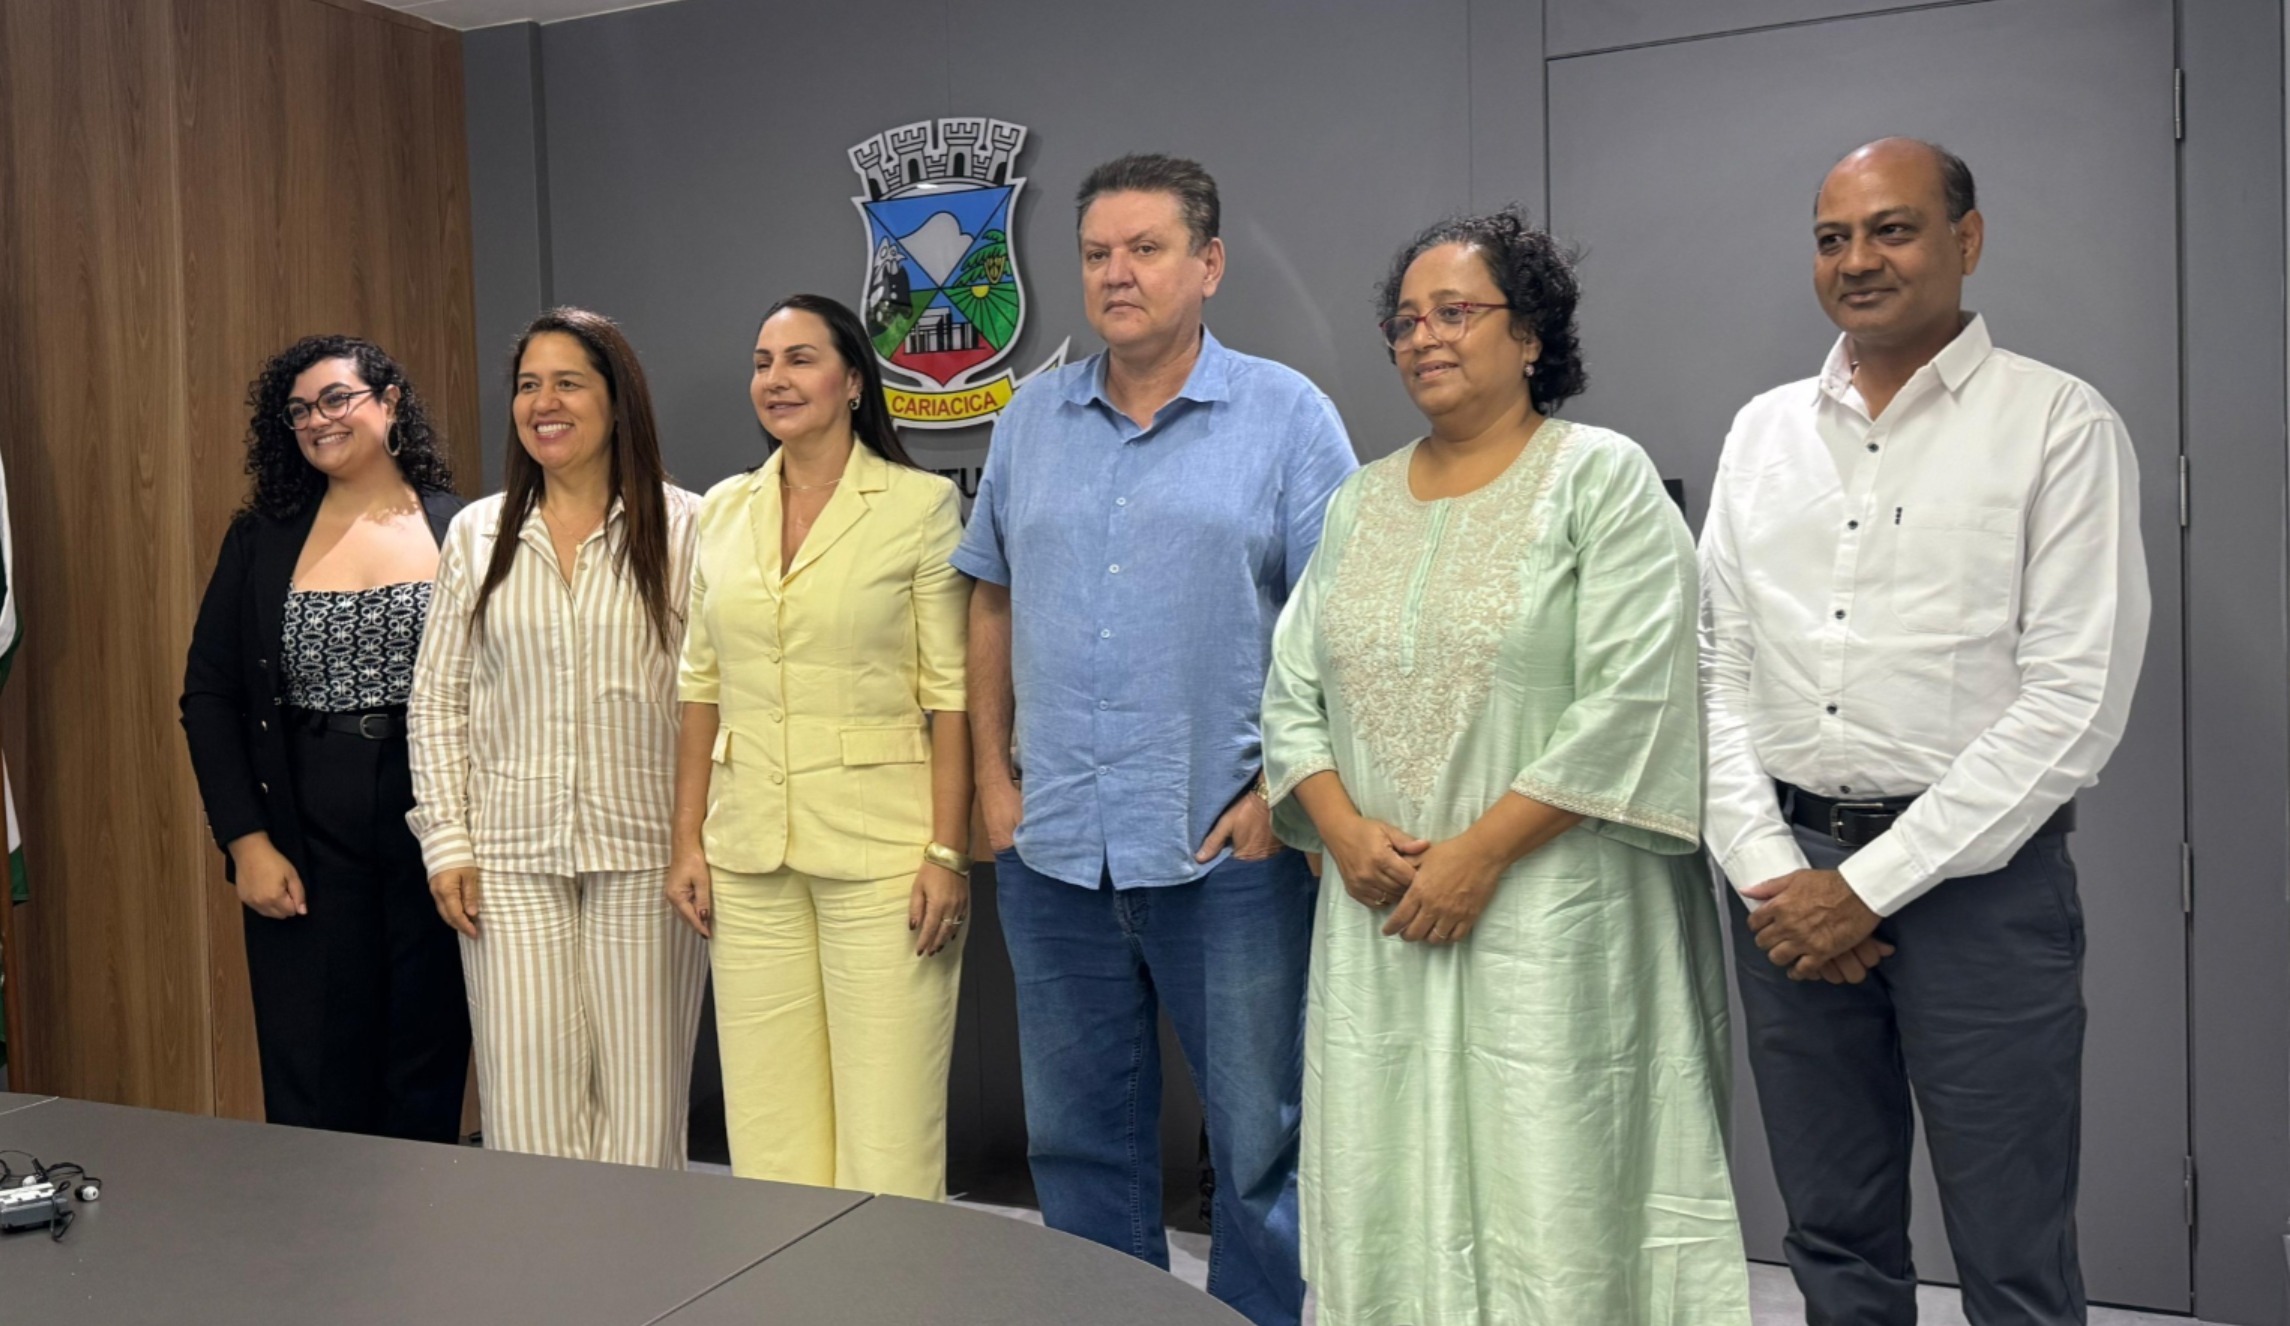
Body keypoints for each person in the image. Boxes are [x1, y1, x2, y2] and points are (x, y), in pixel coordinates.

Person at [1261, 208, 1750, 1324]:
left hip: (1557, 920)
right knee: (1389, 1176)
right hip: (1381, 915)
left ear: (1529, 334)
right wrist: (1337, 828)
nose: (1424, 337)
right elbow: (1291, 692)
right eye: (1405, 320)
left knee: (1555, 1181)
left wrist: (1479, 855)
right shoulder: (1357, 501)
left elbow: (1635, 695)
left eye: (1456, 312)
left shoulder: (1601, 482)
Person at [1701, 139, 2151, 1324]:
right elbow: (1712, 670)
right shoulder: (1762, 434)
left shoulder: (2057, 425)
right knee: (1832, 1238)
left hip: (1979, 896)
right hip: (1784, 890)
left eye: (1891, 229)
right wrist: (1771, 874)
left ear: (1967, 239)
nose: (1858, 260)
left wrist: (1872, 887)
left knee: (2012, 1252)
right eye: (1832, 236)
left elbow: (2073, 702)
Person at [952, 153, 1355, 1326]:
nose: (1116, 274)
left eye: (1145, 249)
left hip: (1227, 851)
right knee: (1075, 1145)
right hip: (1054, 849)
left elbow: (1339, 625)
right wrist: (991, 780)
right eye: (1095, 254)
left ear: (1209, 263)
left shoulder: (1286, 417)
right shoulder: (1032, 418)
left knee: (1259, 1148)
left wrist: (1281, 791)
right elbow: (989, 597)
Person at [662, 293, 972, 1199]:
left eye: (800, 359)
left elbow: (949, 697)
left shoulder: (917, 507)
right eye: (763, 362)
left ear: (850, 381)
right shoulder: (723, 510)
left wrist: (947, 853)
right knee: (769, 1136)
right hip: (748, 853)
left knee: (887, 1137)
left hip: (885, 856)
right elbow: (700, 686)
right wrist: (689, 839)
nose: (776, 379)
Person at [406, 307, 706, 1167]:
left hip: (649, 855)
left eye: (568, 381)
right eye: (529, 384)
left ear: (617, 400)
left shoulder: (688, 527)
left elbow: (712, 700)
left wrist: (696, 839)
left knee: (644, 1123)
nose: (546, 401)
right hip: (507, 858)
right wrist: (447, 843)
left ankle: (649, 1296)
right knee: (528, 1123)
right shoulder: (477, 532)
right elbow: (438, 701)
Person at [182, 334, 469, 1141]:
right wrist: (246, 842)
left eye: (336, 399)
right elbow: (209, 696)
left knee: (426, 1048)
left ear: (391, 401)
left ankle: (419, 1250)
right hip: (305, 823)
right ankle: (319, 1258)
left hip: (435, 814)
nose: (317, 421)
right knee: (315, 1064)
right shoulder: (261, 538)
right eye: (300, 410)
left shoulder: (468, 528)